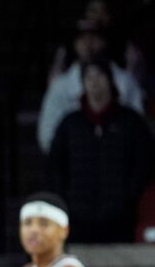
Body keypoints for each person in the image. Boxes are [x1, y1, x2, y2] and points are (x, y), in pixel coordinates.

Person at [45, 59, 153, 244]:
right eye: (88, 77)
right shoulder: (70, 123)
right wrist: (68, 200)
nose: (94, 81)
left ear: (110, 80)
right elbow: (55, 166)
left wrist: (127, 198)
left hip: (120, 217)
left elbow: (144, 163)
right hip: (78, 217)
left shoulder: (131, 122)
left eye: (99, 75)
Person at [38, 26, 143, 153]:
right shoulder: (60, 86)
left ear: (104, 41)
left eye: (93, 37)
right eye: (82, 38)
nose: (88, 43)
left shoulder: (126, 82)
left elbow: (139, 133)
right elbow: (47, 137)